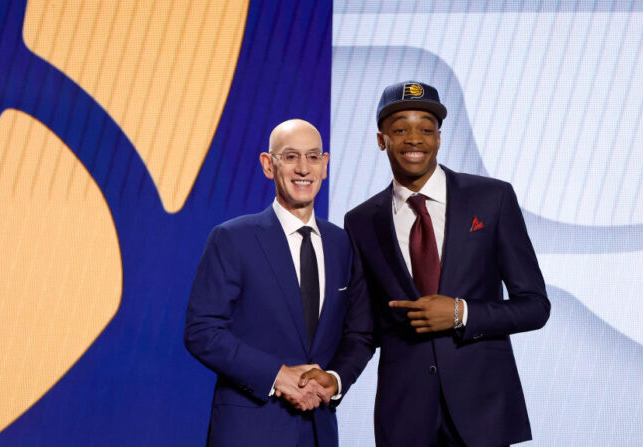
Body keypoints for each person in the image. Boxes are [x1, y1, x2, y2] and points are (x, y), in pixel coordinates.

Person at [302, 81, 551, 446]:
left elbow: (535, 306)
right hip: (405, 416)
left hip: (483, 411)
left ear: (438, 138)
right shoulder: (361, 221)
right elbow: (364, 329)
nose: (414, 139)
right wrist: (336, 377)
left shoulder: (492, 198)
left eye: (426, 129)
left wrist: (460, 313)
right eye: (400, 129)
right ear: (381, 139)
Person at [184, 119, 356, 447]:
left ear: (325, 165)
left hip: (318, 431)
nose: (303, 169)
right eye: (290, 157)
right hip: (250, 430)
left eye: (313, 157)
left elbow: (355, 331)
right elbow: (201, 331)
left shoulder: (342, 244)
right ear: (268, 165)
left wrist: (333, 380)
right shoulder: (232, 238)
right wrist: (278, 375)